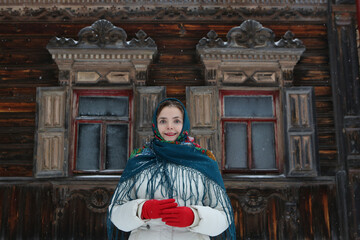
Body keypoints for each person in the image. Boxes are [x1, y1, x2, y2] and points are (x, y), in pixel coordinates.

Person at [107, 98, 235, 240]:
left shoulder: (204, 159)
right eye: (163, 121)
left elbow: (224, 215)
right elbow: (116, 212)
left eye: (176, 121)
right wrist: (141, 210)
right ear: (156, 124)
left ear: (184, 123)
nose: (169, 126)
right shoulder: (139, 159)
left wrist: (195, 217)